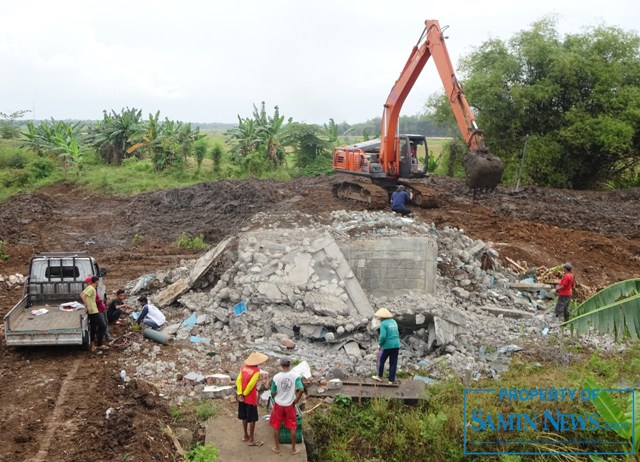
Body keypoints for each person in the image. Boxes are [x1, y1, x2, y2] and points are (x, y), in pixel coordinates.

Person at [269, 356, 304, 455]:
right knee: (292, 427)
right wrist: (296, 400)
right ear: (290, 365)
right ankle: (293, 449)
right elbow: (301, 389)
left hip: (279, 404)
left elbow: (272, 392)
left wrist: (276, 394)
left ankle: (277, 447)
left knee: (277, 426)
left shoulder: (276, 377)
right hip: (290, 405)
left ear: (281, 364)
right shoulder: (294, 376)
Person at [236, 351, 268, 447]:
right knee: (252, 418)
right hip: (250, 397)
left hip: (242, 397)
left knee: (244, 416)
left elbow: (238, 381)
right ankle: (251, 439)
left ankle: (245, 435)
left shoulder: (244, 368)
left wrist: (240, 393)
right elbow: (251, 384)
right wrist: (245, 393)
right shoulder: (256, 371)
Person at [371, 307, 400, 384]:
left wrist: (380, 344)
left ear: (382, 317)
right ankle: (391, 380)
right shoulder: (394, 321)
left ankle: (379, 376)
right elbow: (397, 333)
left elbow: (383, 336)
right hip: (396, 344)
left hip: (387, 345)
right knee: (393, 362)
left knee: (380, 360)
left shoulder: (383, 323)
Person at [80, 276, 107, 351]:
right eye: (98, 282)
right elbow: (82, 295)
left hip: (93, 310)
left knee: (94, 327)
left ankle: (93, 345)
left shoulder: (89, 287)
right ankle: (99, 344)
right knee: (103, 326)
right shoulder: (92, 288)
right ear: (97, 282)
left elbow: (82, 294)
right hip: (93, 311)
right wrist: (88, 305)